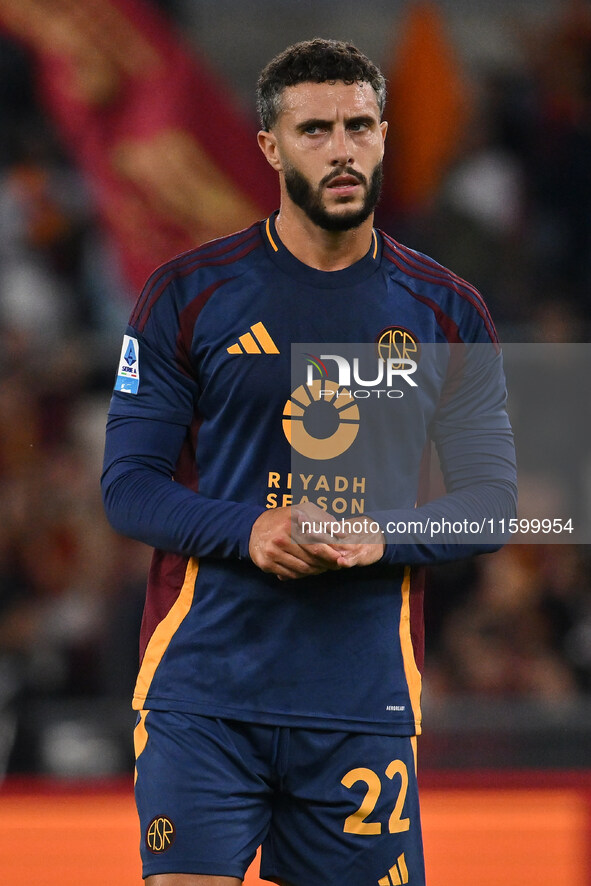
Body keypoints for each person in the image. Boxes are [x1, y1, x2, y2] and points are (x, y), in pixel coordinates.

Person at [102, 38, 517, 886]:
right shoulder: (186, 293)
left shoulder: (446, 309)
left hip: (362, 704)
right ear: (270, 146)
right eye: (315, 129)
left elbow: (492, 500)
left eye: (359, 126)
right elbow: (128, 484)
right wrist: (250, 528)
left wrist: (384, 535)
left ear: (384, 135)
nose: (341, 150)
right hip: (203, 693)